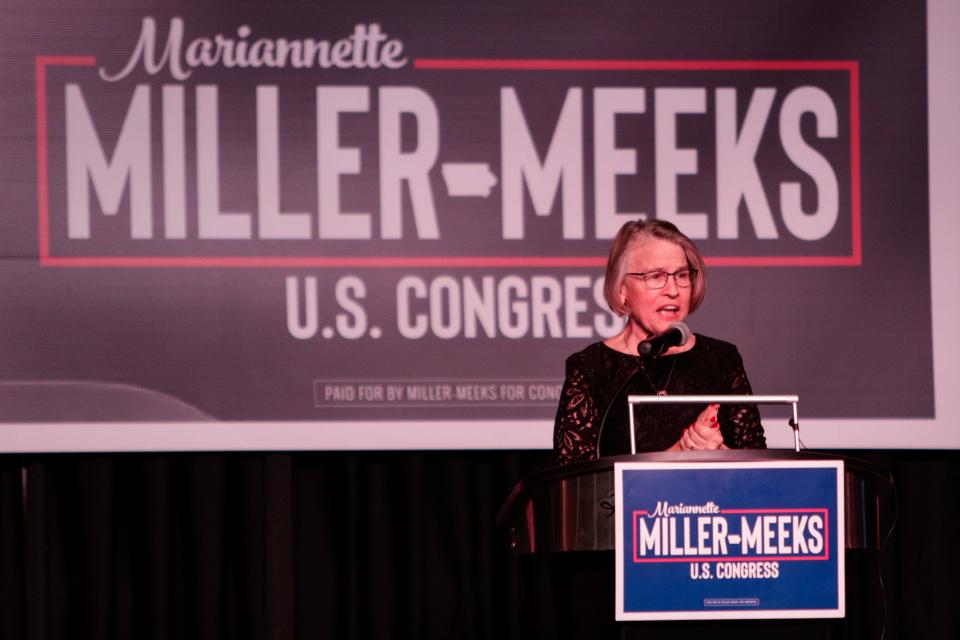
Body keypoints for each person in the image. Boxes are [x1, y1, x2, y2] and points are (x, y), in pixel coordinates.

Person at [553, 219, 766, 464]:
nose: (673, 290)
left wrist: (719, 452)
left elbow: (760, 475)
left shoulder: (722, 359)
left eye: (682, 275)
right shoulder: (591, 368)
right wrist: (681, 451)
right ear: (622, 289)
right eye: (656, 276)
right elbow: (577, 487)